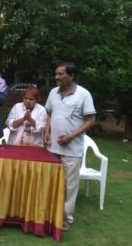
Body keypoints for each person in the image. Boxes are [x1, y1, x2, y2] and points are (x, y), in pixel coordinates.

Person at [44, 62, 96, 231]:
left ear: (71, 76)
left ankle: (66, 217)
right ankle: (50, 212)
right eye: (56, 74)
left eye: (60, 74)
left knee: (69, 185)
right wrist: (47, 131)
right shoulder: (53, 92)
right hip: (52, 148)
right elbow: (49, 113)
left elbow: (91, 120)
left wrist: (71, 136)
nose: (56, 77)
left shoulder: (83, 94)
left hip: (72, 150)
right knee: (52, 181)